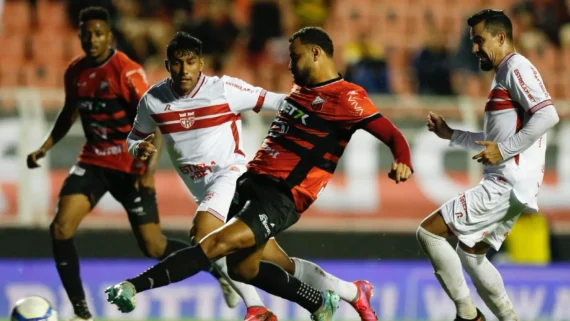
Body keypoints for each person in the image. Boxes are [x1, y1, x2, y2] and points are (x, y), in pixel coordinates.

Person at [106, 27, 413, 321]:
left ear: (316, 53)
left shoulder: (346, 96)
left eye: (295, 57)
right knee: (246, 267)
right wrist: (137, 147)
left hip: (282, 193)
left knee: (210, 242)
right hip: (252, 181)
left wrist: (402, 158)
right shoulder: (301, 90)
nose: (289, 64)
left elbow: (390, 132)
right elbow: (135, 135)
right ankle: (343, 293)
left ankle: (137, 286)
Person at [25, 7, 191, 321]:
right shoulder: (75, 71)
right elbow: (68, 114)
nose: (92, 39)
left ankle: (213, 264)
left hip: (129, 165)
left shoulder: (126, 72)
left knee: (154, 247)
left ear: (109, 36)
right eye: (86, 34)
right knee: (60, 228)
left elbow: (152, 122)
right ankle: (82, 312)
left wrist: (148, 171)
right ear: (80, 36)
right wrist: (44, 148)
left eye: (98, 33)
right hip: (93, 161)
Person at [418, 9, 559, 321]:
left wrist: (505, 150)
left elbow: (548, 115)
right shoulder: (504, 74)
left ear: (501, 37)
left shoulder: (517, 67)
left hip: (505, 183)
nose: (474, 48)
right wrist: (452, 135)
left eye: (479, 40)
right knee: (471, 253)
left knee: (429, 233)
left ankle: (468, 315)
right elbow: (495, 140)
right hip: (513, 186)